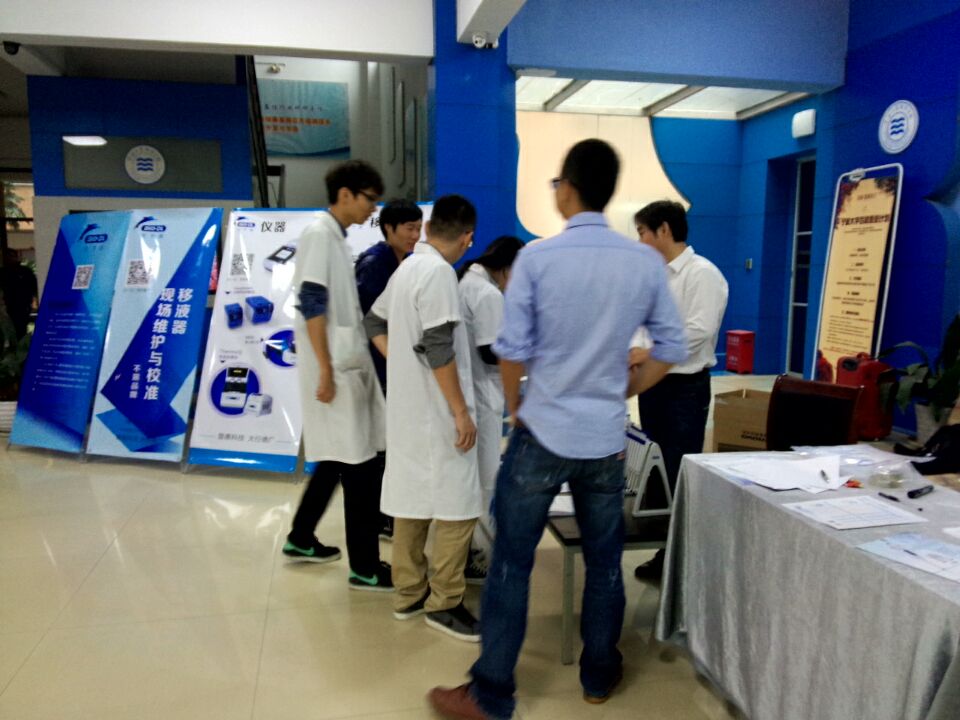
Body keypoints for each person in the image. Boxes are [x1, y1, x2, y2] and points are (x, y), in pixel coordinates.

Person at [428, 139, 687, 719]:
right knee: (604, 564)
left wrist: (516, 406)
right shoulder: (642, 263)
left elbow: (512, 349)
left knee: (511, 563)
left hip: (541, 434)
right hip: (604, 441)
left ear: (567, 189)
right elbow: (672, 347)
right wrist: (626, 390)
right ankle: (598, 675)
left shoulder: (539, 259)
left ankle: (492, 693)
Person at [365, 194, 482, 642]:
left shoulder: (407, 269)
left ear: (429, 228)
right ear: (468, 238)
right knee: (458, 507)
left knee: (411, 502)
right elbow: (437, 346)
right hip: (437, 411)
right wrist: (460, 411)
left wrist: (398, 360)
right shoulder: (438, 273)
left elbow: (373, 322)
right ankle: (445, 602)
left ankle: (408, 593)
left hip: (408, 411)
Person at [281, 159, 393, 593]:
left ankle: (301, 536)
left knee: (337, 458)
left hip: (344, 366)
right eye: (370, 199)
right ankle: (365, 567)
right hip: (336, 370)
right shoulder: (318, 234)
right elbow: (311, 301)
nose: (373, 209)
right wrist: (326, 370)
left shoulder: (334, 237)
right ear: (346, 194)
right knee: (360, 468)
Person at [631, 200, 728, 581]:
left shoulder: (702, 274)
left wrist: (648, 352)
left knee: (679, 470)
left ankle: (685, 560)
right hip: (654, 384)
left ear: (664, 230)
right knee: (656, 471)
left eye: (642, 232)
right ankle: (665, 551)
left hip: (684, 389)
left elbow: (699, 330)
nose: (639, 240)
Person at [456, 235, 525, 584]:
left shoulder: (468, 283)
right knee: (484, 483)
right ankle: (475, 556)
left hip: (473, 394)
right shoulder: (486, 293)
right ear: (507, 267)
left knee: (474, 482)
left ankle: (468, 553)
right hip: (482, 397)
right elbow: (489, 351)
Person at [355, 198, 424, 543]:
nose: (415, 235)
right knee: (383, 445)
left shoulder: (407, 262)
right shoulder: (374, 264)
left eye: (419, 228)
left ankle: (388, 513)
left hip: (394, 365)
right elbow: (371, 322)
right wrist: (395, 360)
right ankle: (382, 516)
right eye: (409, 228)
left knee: (393, 442)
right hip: (376, 366)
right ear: (389, 228)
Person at [0, 248, 37, 339]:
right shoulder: (3, 273)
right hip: (7, 307)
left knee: (20, 330)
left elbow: (34, 287)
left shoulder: (25, 272)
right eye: (7, 256)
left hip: (22, 306)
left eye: (12, 256)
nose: (10, 258)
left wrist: (34, 301)